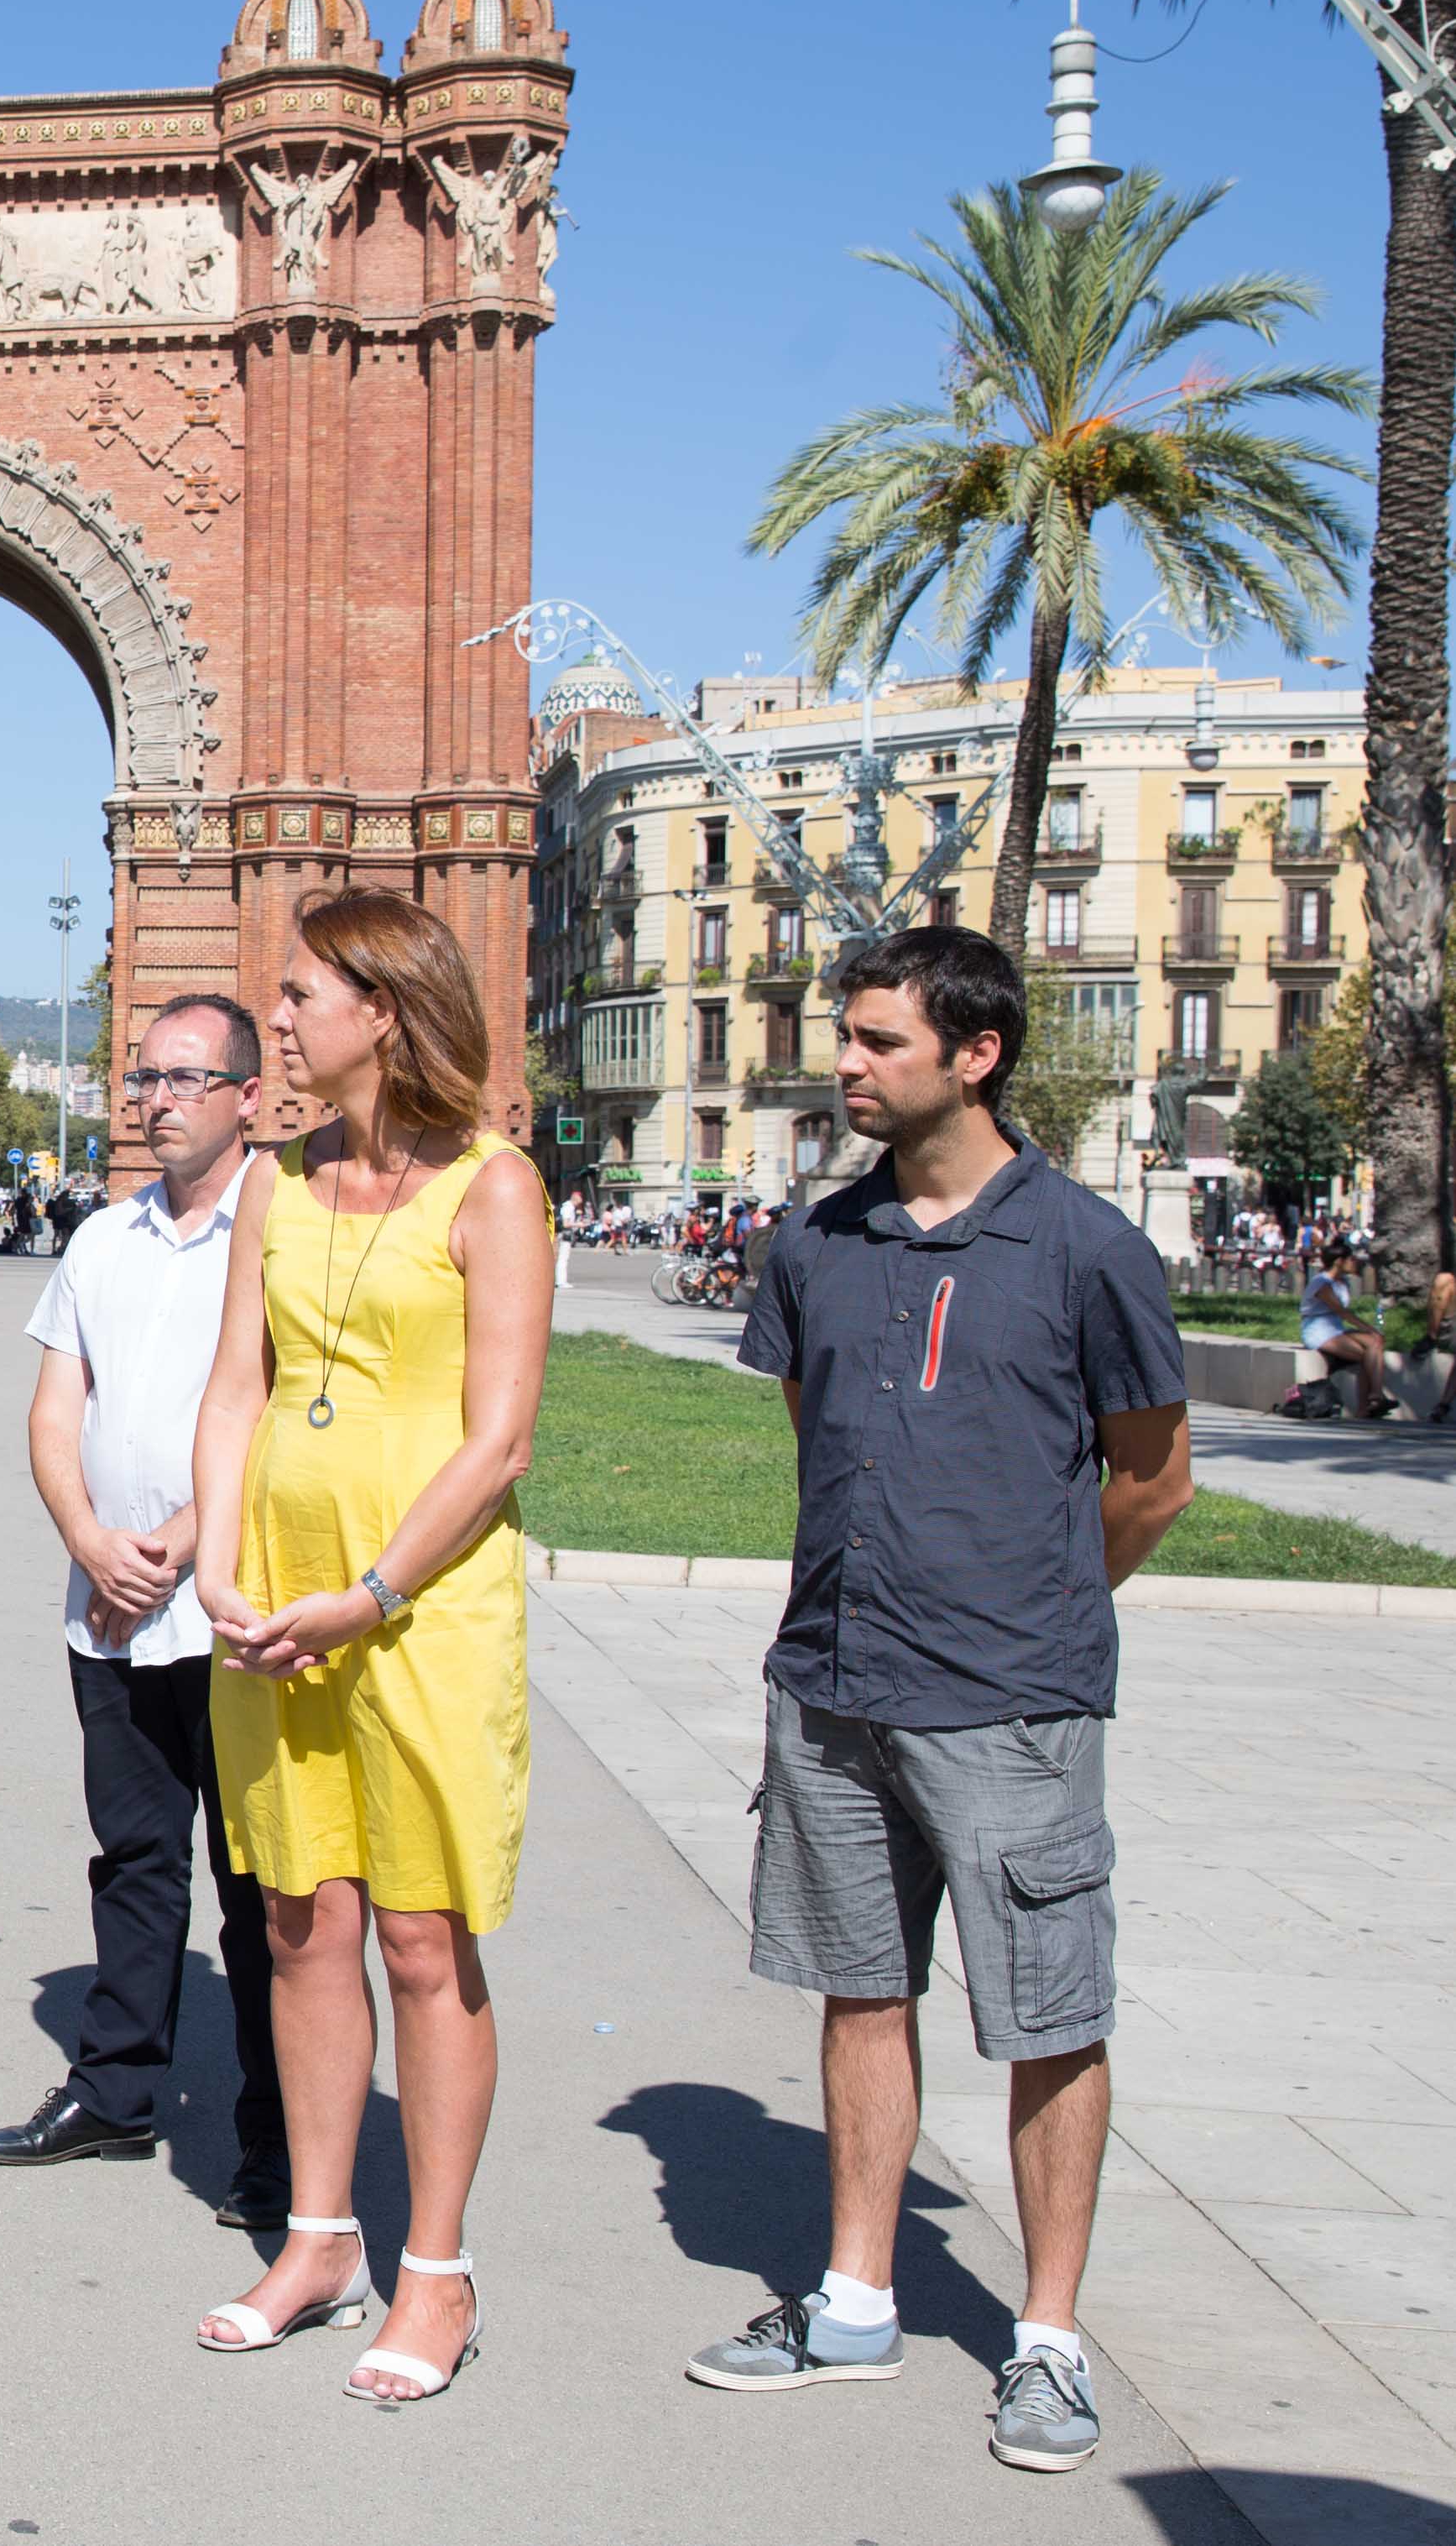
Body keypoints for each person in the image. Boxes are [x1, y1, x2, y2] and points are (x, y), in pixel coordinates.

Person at [690, 927, 1192, 2478]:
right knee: (859, 1985)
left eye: (877, 1040)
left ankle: (1045, 2335)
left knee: (1050, 2011)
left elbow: (1151, 1477)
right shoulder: (816, 1240)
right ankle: (854, 2298)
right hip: (831, 1683)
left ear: (975, 1055)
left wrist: (1033, 1602)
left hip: (1010, 1699)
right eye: (844, 1035)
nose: (843, 1061)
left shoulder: (1084, 1247)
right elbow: (817, 1428)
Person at [184, 891, 549, 2407]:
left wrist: (373, 1588)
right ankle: (319, 2236)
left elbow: (498, 1436)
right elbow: (234, 1388)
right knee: (297, 1921)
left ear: (382, 1009)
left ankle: (435, 2267)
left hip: (420, 1600)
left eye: (298, 994)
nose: (275, 1018)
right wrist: (216, 1563)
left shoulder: (492, 1184)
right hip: (275, 1597)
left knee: (418, 1932)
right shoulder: (273, 1179)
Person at [0, 993, 287, 2225]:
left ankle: (278, 2137)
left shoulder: (286, 1230)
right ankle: (114, 2091)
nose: (157, 1099)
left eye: (183, 1078)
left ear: (248, 1096)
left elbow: (286, 1413)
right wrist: (90, 1540)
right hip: (107, 1608)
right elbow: (57, 1409)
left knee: (260, 1887)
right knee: (135, 1859)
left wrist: (181, 1539)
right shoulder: (102, 1237)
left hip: (233, 1609)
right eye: (144, 1077)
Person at [1300, 1248, 1398, 1419]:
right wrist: (1369, 1328)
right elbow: (1341, 1311)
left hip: (1336, 1328)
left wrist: (1372, 1332)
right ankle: (1373, 1398)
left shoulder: (1342, 1282)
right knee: (1366, 1354)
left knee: (1375, 1342)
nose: (1355, 1262)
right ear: (1338, 1261)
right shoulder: (1322, 1283)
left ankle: (1373, 1398)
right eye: (1350, 1259)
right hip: (1318, 1330)